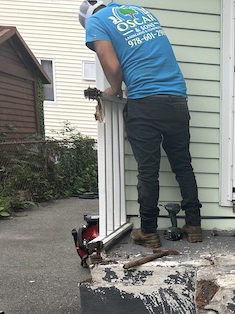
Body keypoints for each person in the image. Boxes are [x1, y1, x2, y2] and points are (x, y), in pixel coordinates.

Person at [79, 0, 203, 248]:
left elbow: (112, 64)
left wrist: (114, 88)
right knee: (183, 165)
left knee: (148, 171)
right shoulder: (140, 11)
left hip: (145, 101)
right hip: (177, 99)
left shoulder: (96, 21)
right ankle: (194, 226)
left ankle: (148, 231)